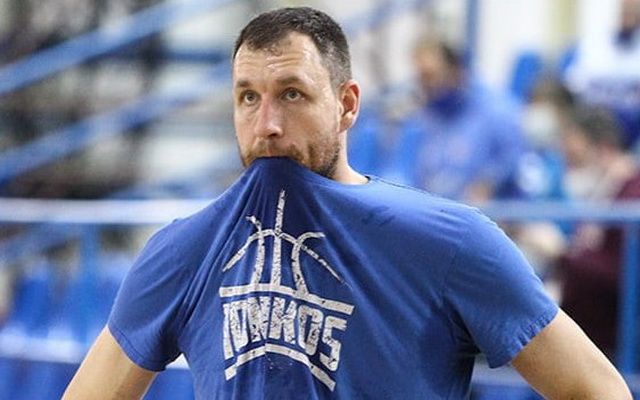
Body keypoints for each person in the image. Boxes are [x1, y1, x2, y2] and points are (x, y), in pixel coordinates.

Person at [63, 7, 631, 399]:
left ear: (347, 104)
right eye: (248, 97)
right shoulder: (183, 250)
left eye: (292, 94)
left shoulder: (451, 241)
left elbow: (595, 389)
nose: (267, 124)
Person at [391, 37, 524, 203]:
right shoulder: (423, 119)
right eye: (420, 78)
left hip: (492, 211)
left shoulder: (495, 109)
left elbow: (513, 160)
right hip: (436, 209)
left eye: (430, 76)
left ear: (455, 71)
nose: (425, 85)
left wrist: (489, 182)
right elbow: (408, 171)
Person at [558, 106, 640, 357]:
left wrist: (562, 253)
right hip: (587, 339)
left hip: (614, 347)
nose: (569, 167)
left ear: (604, 149)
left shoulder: (632, 197)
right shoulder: (605, 194)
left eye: (576, 156)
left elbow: (625, 275)